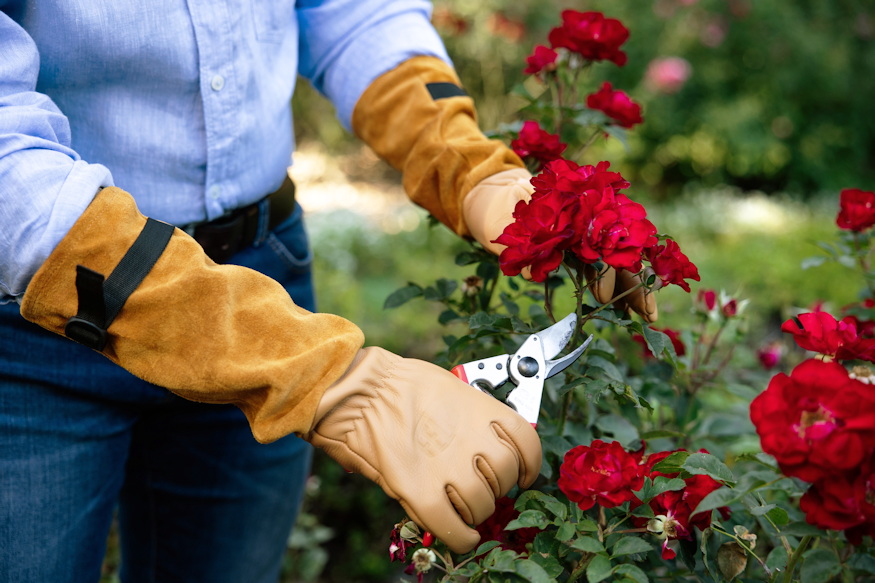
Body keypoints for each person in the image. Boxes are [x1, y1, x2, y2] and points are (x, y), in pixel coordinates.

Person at [0, 2, 653, 582]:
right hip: (35, 328)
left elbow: (352, 12)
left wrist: (468, 167)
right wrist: (321, 374)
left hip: (260, 270)